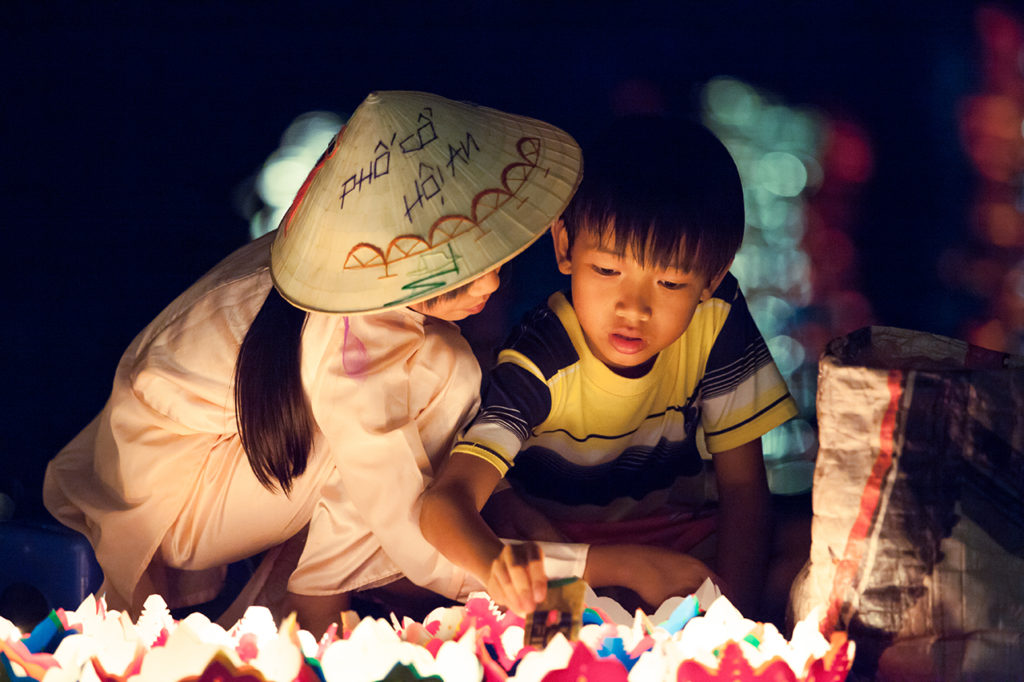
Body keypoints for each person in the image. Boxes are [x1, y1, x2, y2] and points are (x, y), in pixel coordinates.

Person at [43, 91, 592, 636]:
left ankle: (322, 596)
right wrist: (561, 582)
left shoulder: (349, 268)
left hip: (198, 467)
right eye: (465, 270)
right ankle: (318, 605)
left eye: (491, 258)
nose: (491, 285)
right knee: (442, 368)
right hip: (173, 498)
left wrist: (502, 501)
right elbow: (400, 519)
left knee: (434, 372)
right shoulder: (354, 328)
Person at [420, 115, 800, 621]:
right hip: (571, 555)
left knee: (810, 557)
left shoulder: (717, 319)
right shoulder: (541, 358)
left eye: (669, 284)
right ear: (564, 247)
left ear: (713, 277)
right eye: (606, 270)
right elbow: (445, 505)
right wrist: (502, 567)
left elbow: (743, 488)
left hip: (680, 536)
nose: (633, 309)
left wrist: (735, 615)